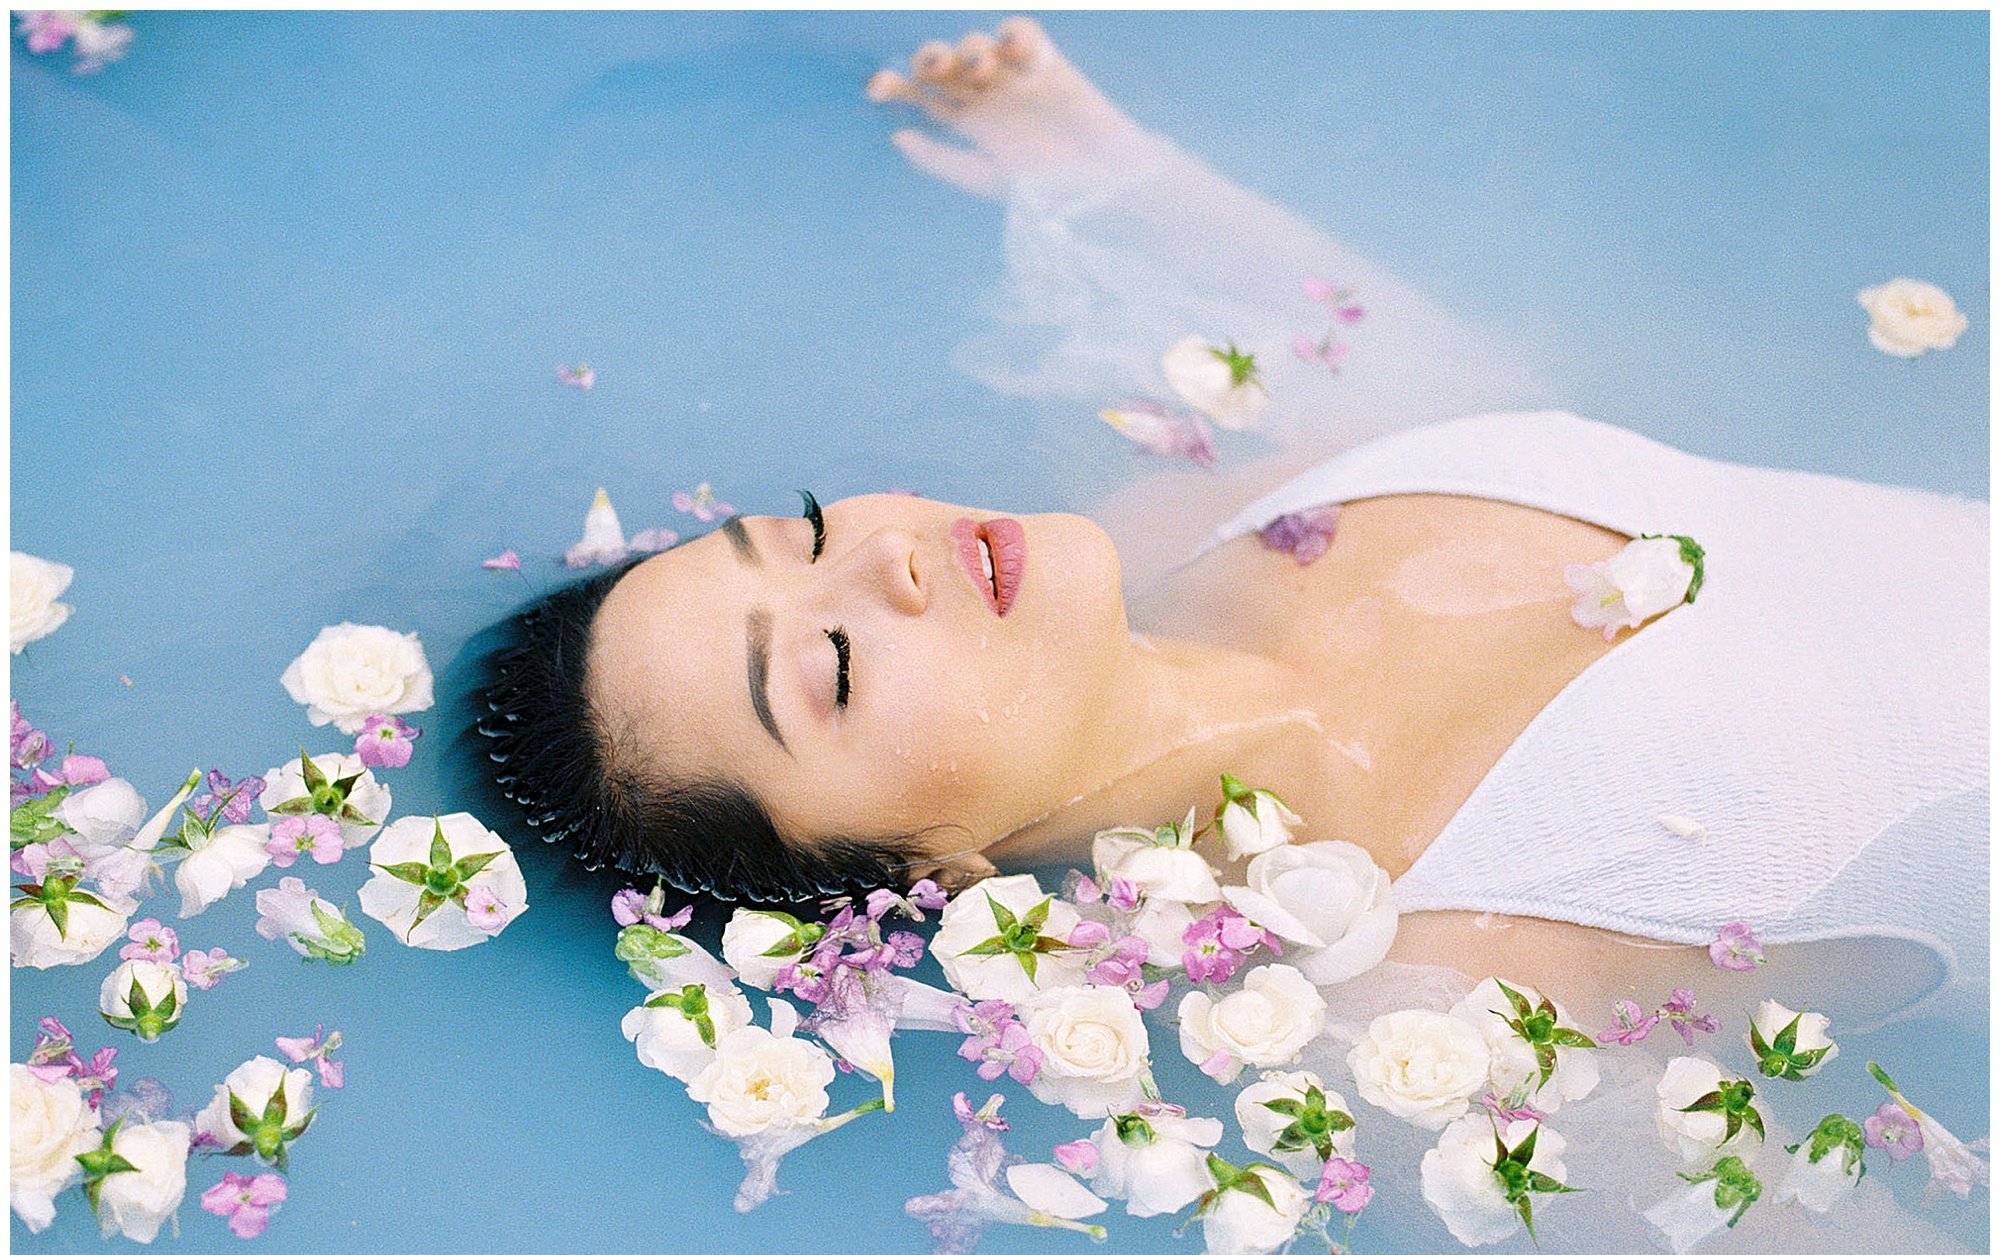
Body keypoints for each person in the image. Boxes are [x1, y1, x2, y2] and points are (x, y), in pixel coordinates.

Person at [477, 17, 1985, 1028]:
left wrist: (1109, 174)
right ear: (930, 878)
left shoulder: (1196, 509)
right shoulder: (1405, 999)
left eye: (800, 533)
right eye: (835, 671)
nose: (884, 556)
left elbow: (1447, 379)